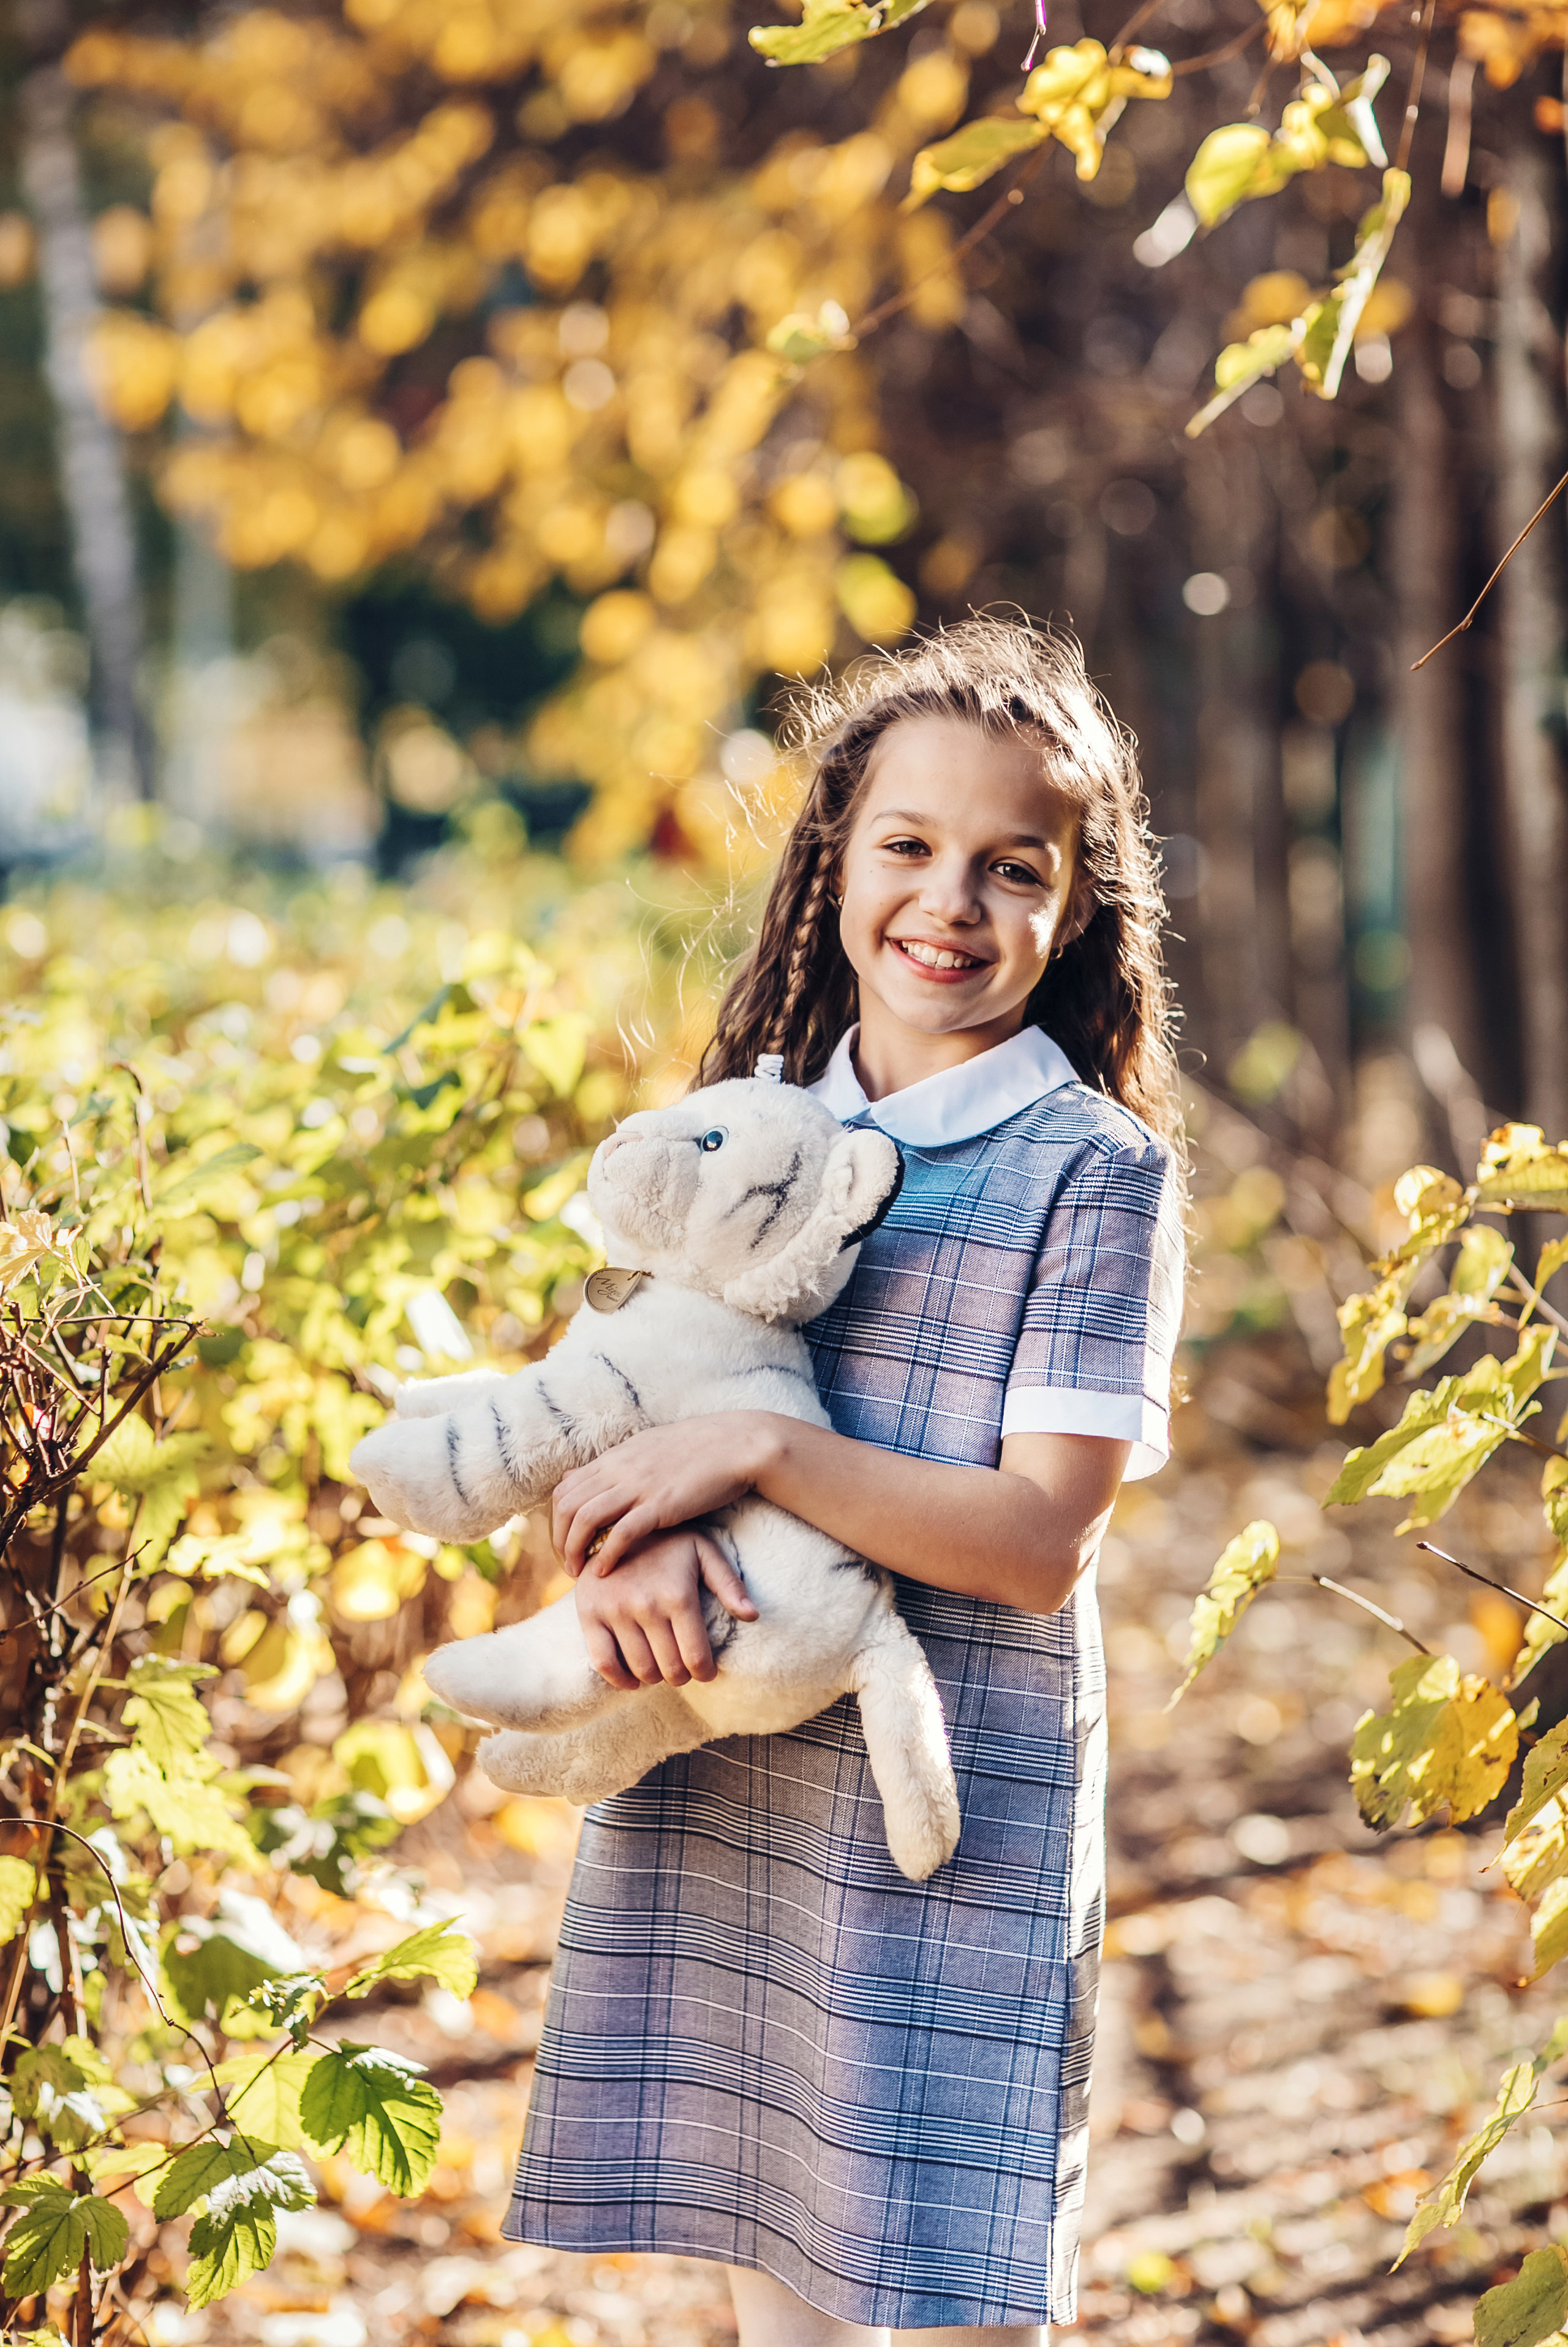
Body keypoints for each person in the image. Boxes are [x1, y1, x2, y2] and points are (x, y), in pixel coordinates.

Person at [505, 616, 1186, 2347]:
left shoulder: (1093, 1176)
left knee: (957, 2300)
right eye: (908, 848)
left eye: (1008, 869)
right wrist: (624, 1557)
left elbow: (1038, 1543)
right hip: (734, 1780)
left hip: (956, 1799)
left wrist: (764, 1452)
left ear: (1079, 904)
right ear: (834, 866)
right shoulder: (745, 1135)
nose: (948, 905)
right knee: (774, 2293)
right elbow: (617, 1414)